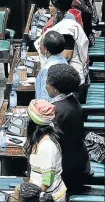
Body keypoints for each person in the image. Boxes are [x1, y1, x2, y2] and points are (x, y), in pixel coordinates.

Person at [35, 0, 89, 104]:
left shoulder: (67, 27)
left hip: (71, 81)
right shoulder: (64, 19)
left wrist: (48, 60)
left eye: (51, 6)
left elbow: (66, 56)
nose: (49, 8)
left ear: (58, 8)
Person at [46, 64, 91, 195]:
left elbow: (51, 144)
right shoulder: (72, 100)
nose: (45, 85)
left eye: (47, 82)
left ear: (55, 89)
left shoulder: (57, 111)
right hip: (78, 161)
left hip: (68, 172)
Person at [11, 99, 67, 202]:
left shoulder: (47, 147)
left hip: (49, 196)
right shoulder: (41, 138)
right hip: (38, 190)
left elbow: (47, 180)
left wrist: (31, 197)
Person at [36, 31, 68, 102]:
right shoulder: (63, 60)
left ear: (46, 49)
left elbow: (43, 97)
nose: (39, 45)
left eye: (40, 43)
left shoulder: (47, 69)